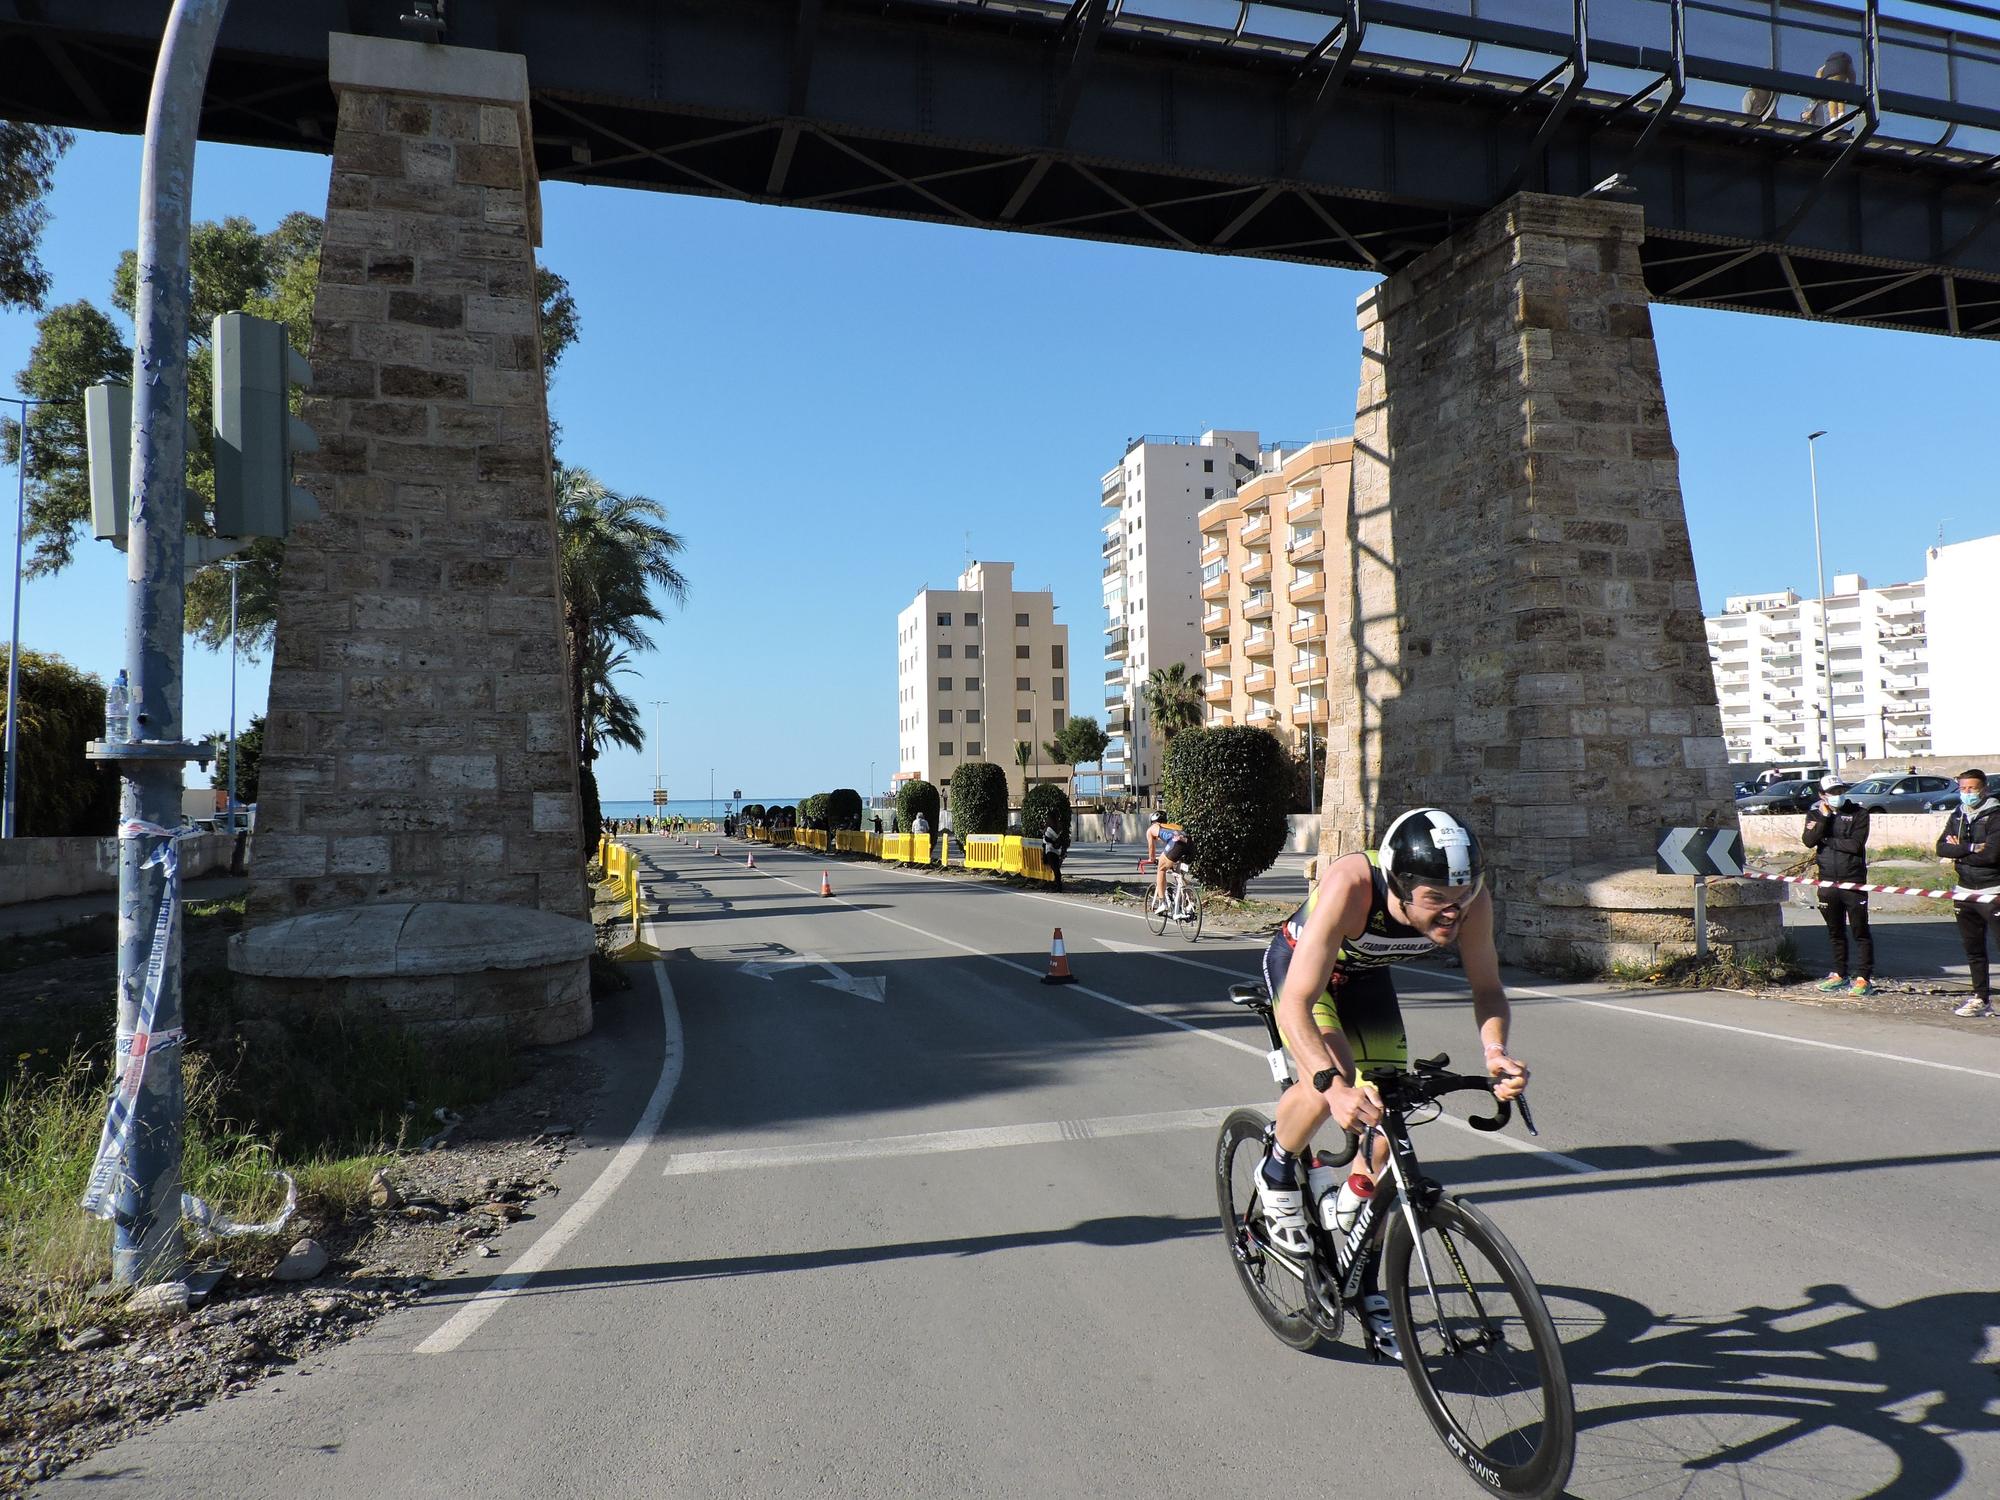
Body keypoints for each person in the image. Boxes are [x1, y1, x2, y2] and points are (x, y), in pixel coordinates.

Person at [1254, 808, 1527, 1361]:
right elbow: (1297, 1004)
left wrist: (1495, 1054)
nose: (1453, 912)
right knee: (1334, 1079)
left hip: (1367, 979)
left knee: (1390, 1114)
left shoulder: (1468, 901)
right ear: (1399, 888)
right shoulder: (1353, 886)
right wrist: (1334, 1088)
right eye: (1437, 901)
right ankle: (1277, 1165)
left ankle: (1360, 1248)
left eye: (1463, 896)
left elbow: (1489, 990)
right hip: (1306, 978)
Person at [1937, 768, 2000, 1018]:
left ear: (1984, 788)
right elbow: (1941, 847)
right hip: (1964, 888)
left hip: (1993, 889)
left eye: (1971, 789)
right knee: (1973, 949)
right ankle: (1980, 998)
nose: (1967, 793)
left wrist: (1961, 850)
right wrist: (1971, 848)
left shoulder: (1995, 815)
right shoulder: (1958, 814)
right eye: (1962, 789)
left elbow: (1994, 854)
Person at [1803, 776, 1875, 995]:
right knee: (1835, 931)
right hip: (1826, 880)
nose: (1837, 795)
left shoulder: (1859, 813)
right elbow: (1808, 840)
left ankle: (1864, 977)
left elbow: (1854, 845)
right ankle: (1839, 973)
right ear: (1822, 795)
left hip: (1852, 880)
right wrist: (1824, 820)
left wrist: (1825, 840)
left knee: (1859, 930)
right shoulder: (1815, 813)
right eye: (1832, 792)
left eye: (1840, 790)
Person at [1146, 811, 1192, 915]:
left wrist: (1152, 859)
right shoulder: (1172, 826)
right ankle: (1190, 903)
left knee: (1161, 868)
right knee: (1179, 875)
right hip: (1190, 844)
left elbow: (1151, 847)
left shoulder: (1152, 828)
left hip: (1176, 843)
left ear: (1153, 821)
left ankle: (1163, 903)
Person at [1041, 816, 1070, 892]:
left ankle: (1058, 886)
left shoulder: (1049, 829)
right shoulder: (1057, 828)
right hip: (1056, 851)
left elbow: (1047, 839)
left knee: (1055, 869)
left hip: (1050, 851)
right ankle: (1057, 885)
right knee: (1056, 869)